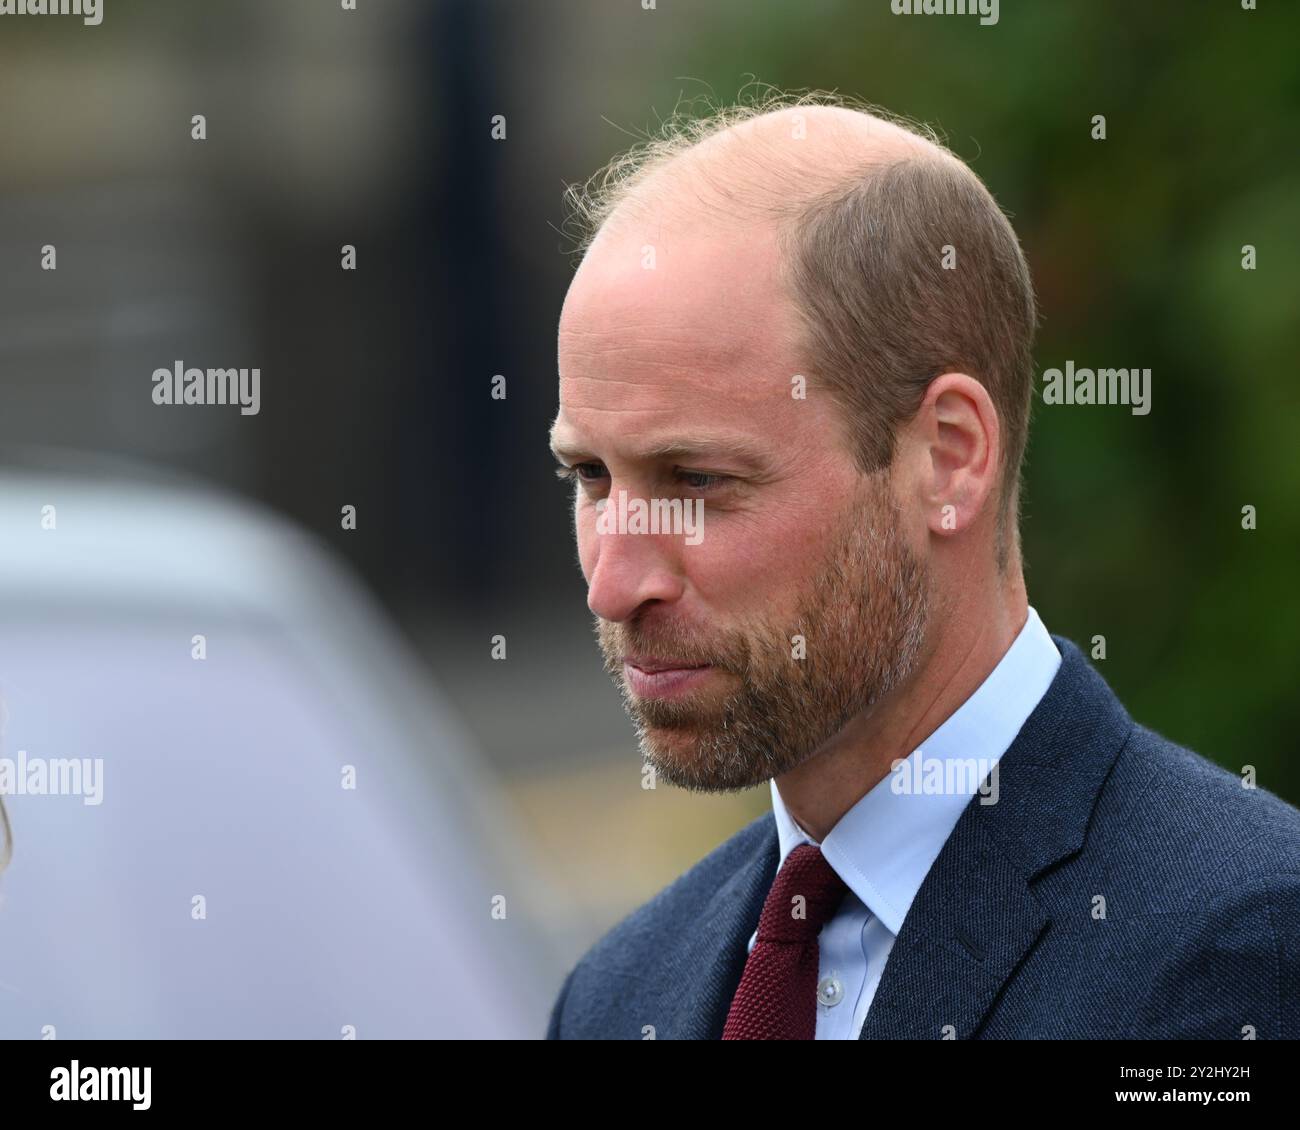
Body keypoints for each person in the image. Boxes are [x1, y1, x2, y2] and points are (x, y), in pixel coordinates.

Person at [544, 92, 1300, 1039]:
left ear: (947, 458)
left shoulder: (1240, 951)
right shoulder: (621, 994)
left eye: (697, 480)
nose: (614, 583)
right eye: (589, 477)